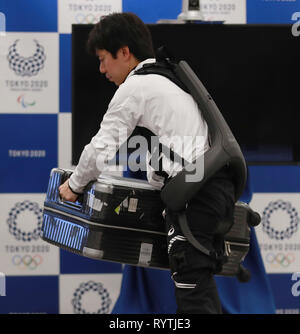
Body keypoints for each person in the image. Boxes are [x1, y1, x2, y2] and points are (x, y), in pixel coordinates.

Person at [59, 12, 235, 314]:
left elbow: (102, 147)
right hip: (209, 188)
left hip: (197, 193)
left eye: (103, 59)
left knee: (192, 290)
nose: (101, 69)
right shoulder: (166, 81)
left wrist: (74, 185)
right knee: (196, 287)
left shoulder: (136, 87)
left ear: (125, 52)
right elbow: (171, 155)